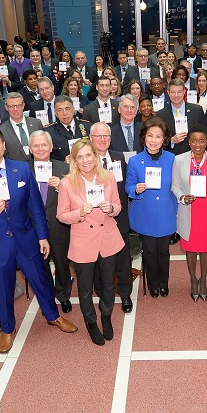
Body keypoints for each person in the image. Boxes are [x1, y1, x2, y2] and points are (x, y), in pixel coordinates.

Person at [0, 127, 77, 354]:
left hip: (26, 238)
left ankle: (53, 315)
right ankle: (7, 329)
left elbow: (36, 208)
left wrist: (42, 236)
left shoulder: (21, 169)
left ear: (4, 145)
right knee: (1, 289)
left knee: (41, 280)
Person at [56, 139, 124, 345]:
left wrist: (111, 208)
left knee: (108, 284)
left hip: (107, 238)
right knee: (85, 288)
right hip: (83, 241)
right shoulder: (67, 183)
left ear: (95, 156)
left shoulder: (108, 177)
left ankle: (106, 316)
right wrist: (79, 212)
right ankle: (91, 322)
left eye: (88, 155)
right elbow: (61, 215)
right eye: (80, 157)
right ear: (75, 161)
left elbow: (118, 205)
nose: (85, 160)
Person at [125, 117, 177, 297]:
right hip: (144, 214)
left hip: (166, 213)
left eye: (158, 136)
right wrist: (135, 189)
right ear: (144, 138)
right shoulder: (134, 161)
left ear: (164, 139)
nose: (153, 140)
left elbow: (177, 185)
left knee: (163, 251)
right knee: (149, 251)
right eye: (150, 136)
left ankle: (164, 283)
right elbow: (128, 186)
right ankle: (153, 284)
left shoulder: (172, 159)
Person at [171, 125, 207, 301]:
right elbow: (175, 186)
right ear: (189, 142)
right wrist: (182, 197)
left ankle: (204, 280)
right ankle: (193, 279)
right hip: (188, 210)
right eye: (193, 141)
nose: (197, 144)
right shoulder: (179, 160)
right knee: (191, 248)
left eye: (201, 141)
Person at [88, 123, 134, 312]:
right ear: (91, 138)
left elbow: (123, 189)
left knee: (123, 258)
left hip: (118, 216)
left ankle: (125, 294)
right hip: (95, 220)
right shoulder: (85, 159)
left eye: (106, 136)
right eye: (98, 136)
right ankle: (100, 292)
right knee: (99, 258)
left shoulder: (118, 157)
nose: (102, 139)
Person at [28, 130, 73, 313]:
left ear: (51, 147)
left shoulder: (65, 168)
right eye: (36, 145)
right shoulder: (22, 169)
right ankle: (47, 295)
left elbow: (76, 197)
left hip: (58, 224)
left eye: (44, 145)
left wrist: (61, 188)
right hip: (32, 226)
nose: (40, 149)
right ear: (30, 149)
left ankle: (64, 295)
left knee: (62, 263)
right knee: (40, 264)